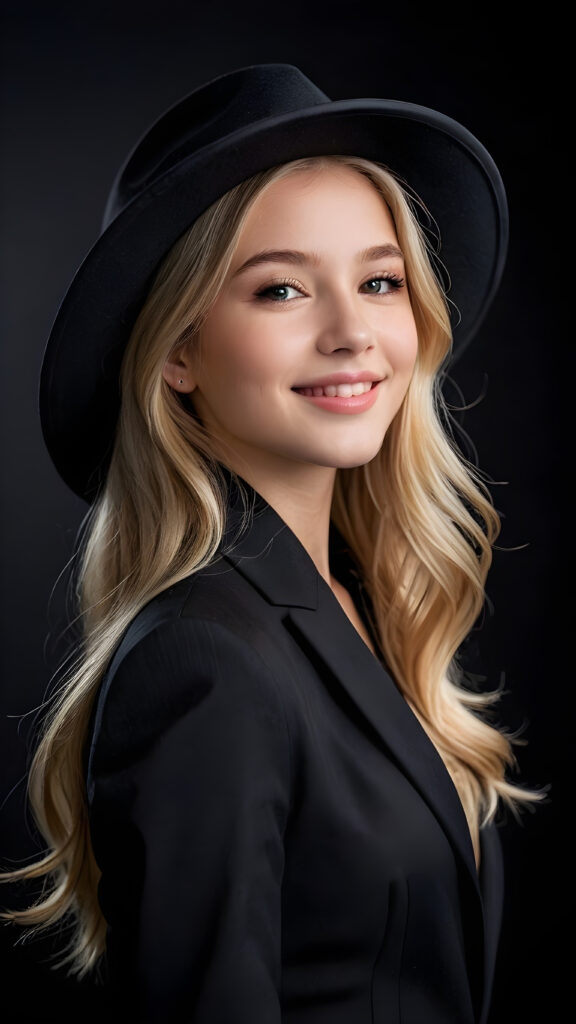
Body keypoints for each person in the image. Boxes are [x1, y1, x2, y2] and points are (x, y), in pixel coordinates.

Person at [1, 64, 539, 1023]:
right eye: (282, 289)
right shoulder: (202, 659)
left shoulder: (361, 604)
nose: (352, 332)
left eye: (380, 281)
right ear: (177, 351)